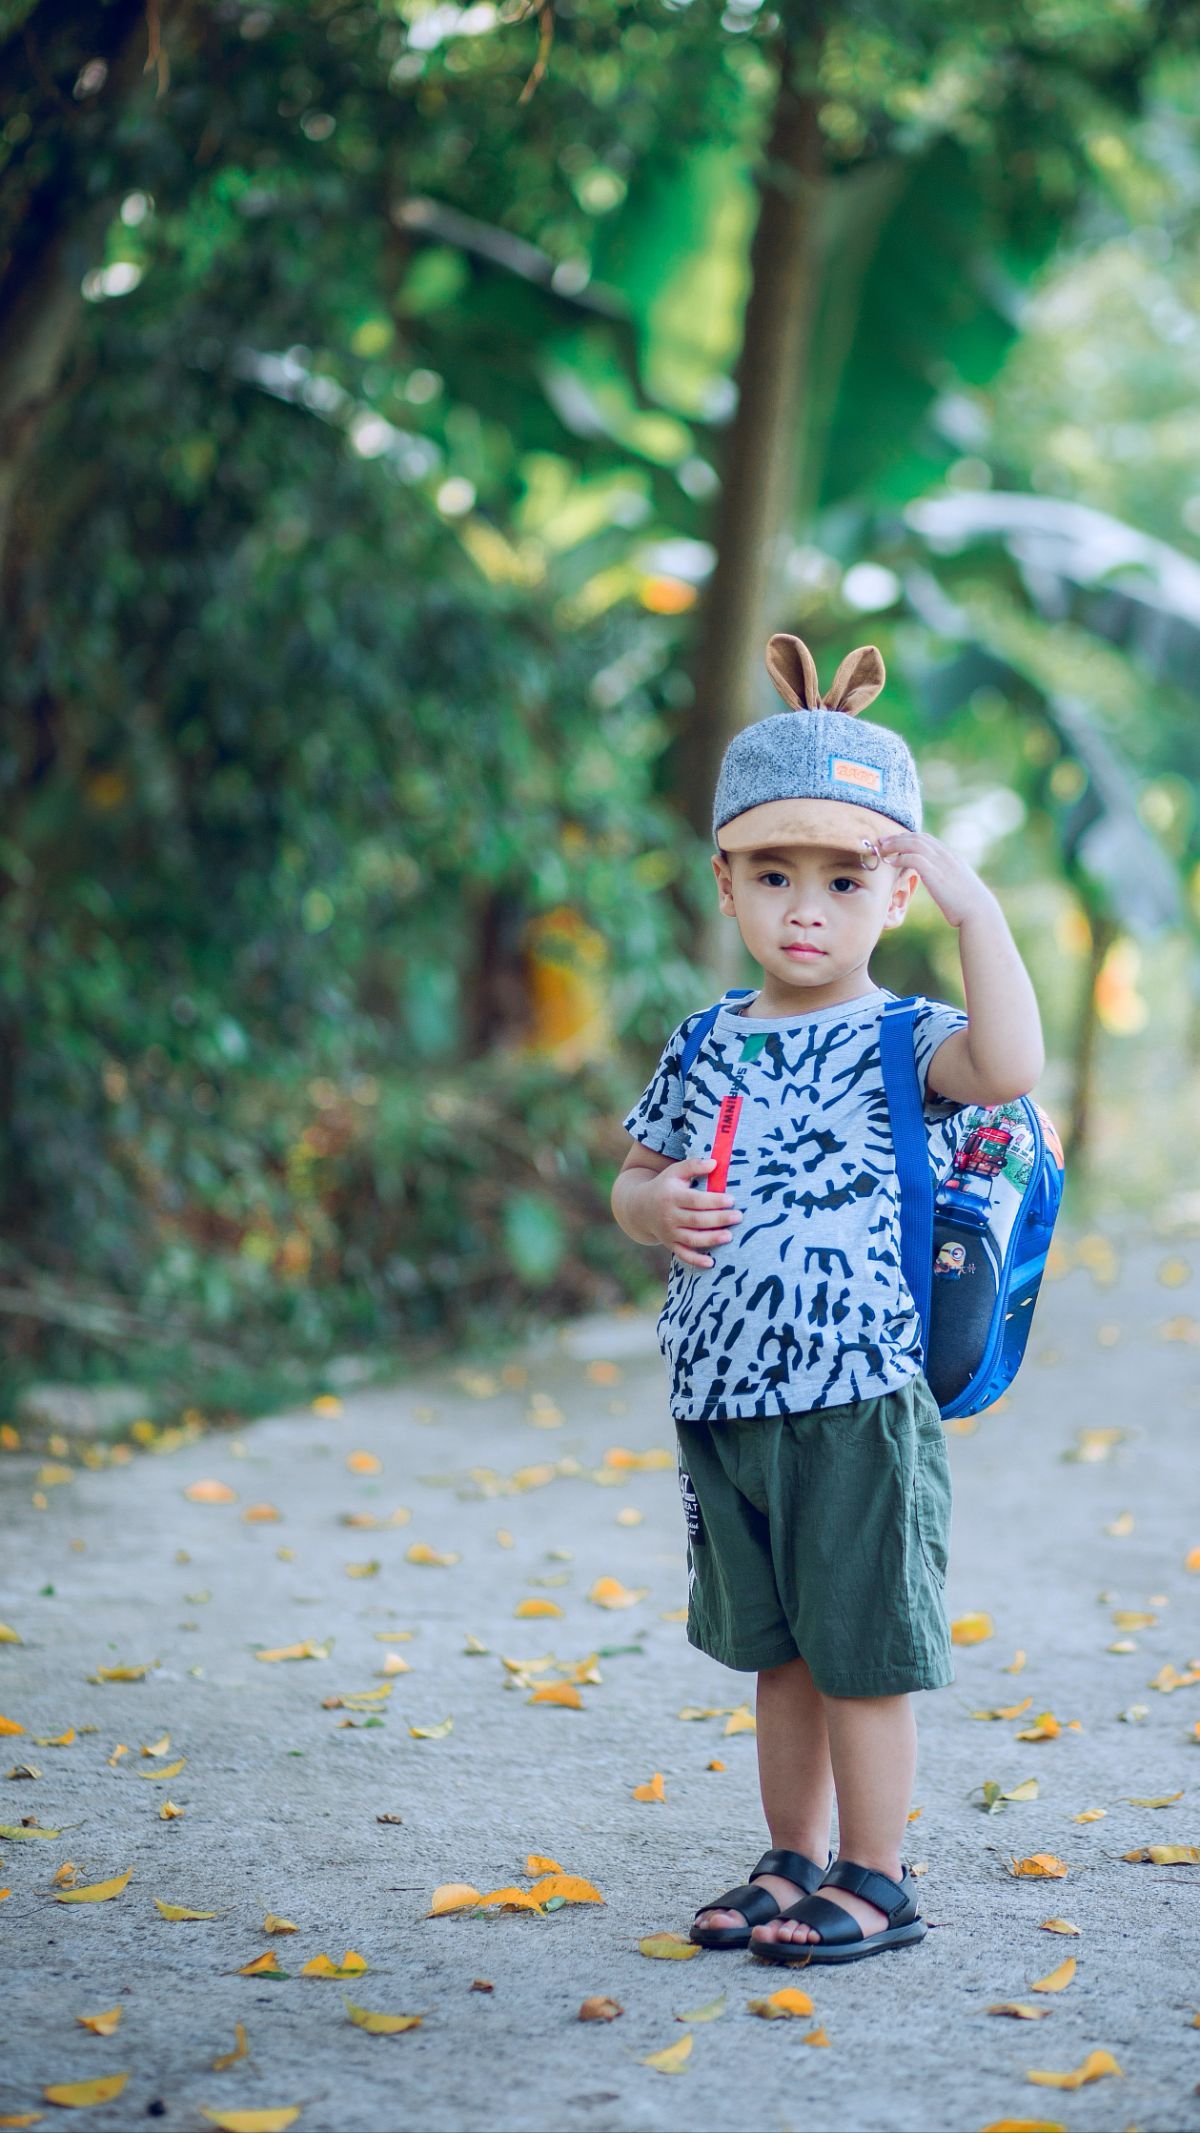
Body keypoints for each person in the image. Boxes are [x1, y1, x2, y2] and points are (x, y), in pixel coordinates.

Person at [610, 631, 1044, 1966]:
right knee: (781, 1653)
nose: (807, 907)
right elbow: (636, 1174)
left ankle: (879, 1871)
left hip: (857, 1394)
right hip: (726, 1393)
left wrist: (981, 915)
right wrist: (653, 1207)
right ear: (728, 879)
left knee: (862, 1648)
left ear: (892, 889)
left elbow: (1012, 1062)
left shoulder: (907, 1036)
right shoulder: (709, 1035)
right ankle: (791, 1855)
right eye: (776, 873)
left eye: (844, 877)